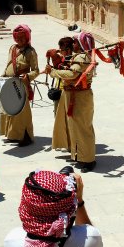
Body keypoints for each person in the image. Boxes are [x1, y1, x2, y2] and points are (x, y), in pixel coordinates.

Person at [4, 169, 103, 247]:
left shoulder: (12, 241)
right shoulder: (91, 239)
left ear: (26, 208)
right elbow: (86, 229)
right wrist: (79, 201)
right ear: (68, 207)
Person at [45, 31, 96, 173]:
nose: (72, 44)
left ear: (80, 44)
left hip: (80, 97)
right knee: (75, 126)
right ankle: (80, 155)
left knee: (83, 127)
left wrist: (53, 72)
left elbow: (72, 74)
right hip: (73, 95)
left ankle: (89, 160)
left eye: (75, 42)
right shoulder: (79, 56)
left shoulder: (82, 57)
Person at [0, 24, 39, 147]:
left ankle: (25, 137)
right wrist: (3, 75)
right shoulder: (12, 48)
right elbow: (8, 64)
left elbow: (36, 70)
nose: (19, 39)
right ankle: (13, 135)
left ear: (27, 37)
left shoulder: (30, 52)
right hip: (8, 83)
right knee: (9, 109)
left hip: (21, 85)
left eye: (22, 37)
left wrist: (28, 76)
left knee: (22, 113)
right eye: (17, 36)